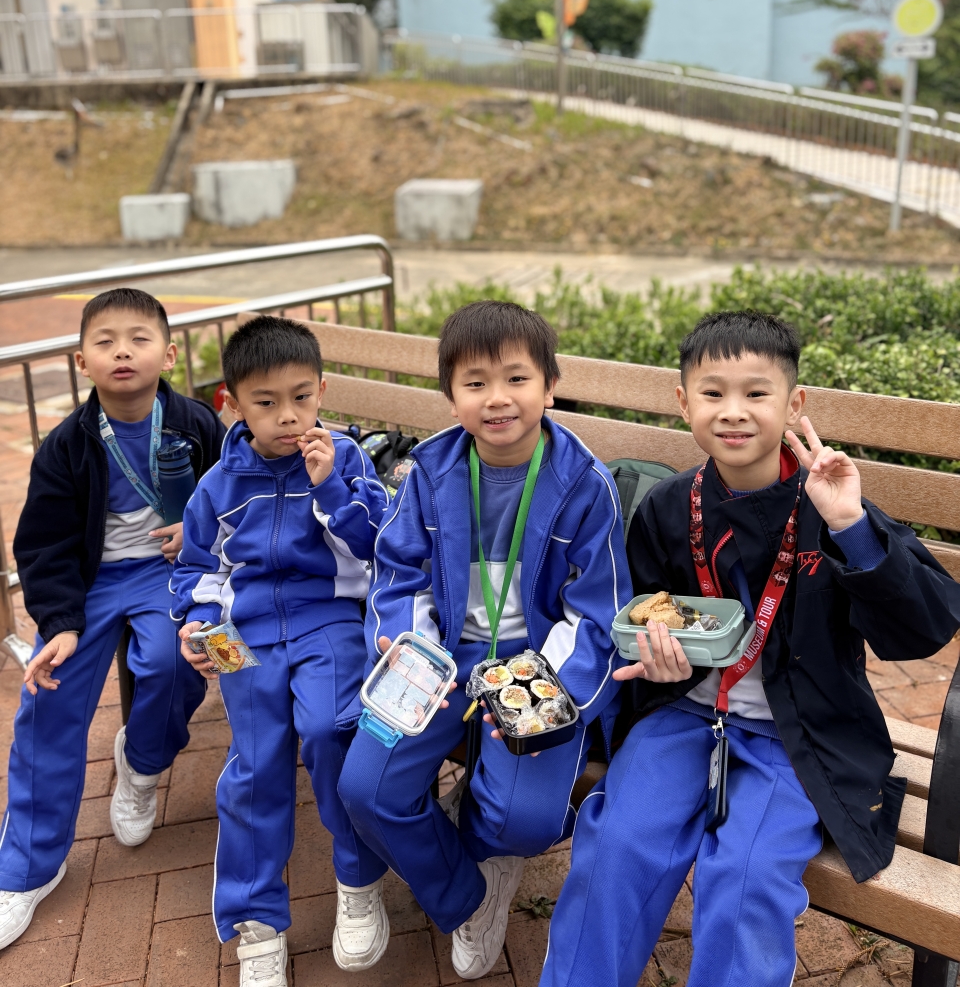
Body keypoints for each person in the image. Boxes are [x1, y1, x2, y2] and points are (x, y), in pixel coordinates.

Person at [540, 310, 960, 987]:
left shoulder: (828, 503)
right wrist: (656, 664)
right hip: (684, 715)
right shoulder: (669, 509)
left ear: (794, 404)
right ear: (685, 404)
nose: (733, 411)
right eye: (713, 393)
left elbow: (924, 628)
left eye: (756, 393)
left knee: (745, 879)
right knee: (616, 845)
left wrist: (851, 525)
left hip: (798, 735)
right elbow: (637, 621)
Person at [338, 300, 629, 981]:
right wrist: (412, 645)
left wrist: (544, 690)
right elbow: (397, 573)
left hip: (534, 668)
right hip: (440, 659)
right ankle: (467, 891)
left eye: (517, 379)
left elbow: (599, 612)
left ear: (549, 387)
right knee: (366, 788)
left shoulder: (585, 485)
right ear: (451, 397)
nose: (497, 398)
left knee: (528, 821)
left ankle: (487, 844)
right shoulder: (430, 473)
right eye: (475, 383)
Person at [0, 288, 224, 950]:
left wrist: (199, 530)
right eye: (105, 342)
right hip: (89, 583)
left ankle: (142, 764)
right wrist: (60, 622)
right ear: (82, 361)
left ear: (169, 354)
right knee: (49, 694)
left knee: (176, 659)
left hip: (169, 575)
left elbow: (235, 497)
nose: (122, 352)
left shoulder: (196, 423)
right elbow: (43, 545)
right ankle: (27, 869)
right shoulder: (66, 445)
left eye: (138, 338)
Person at [172, 315, 390, 986]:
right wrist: (198, 621)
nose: (288, 417)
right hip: (244, 636)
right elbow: (198, 568)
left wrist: (330, 488)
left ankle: (358, 881)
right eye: (266, 403)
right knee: (255, 762)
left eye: (301, 397)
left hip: (330, 621)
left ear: (322, 391)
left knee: (331, 732)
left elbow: (381, 546)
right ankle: (256, 921)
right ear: (233, 405)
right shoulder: (217, 485)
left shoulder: (345, 459)